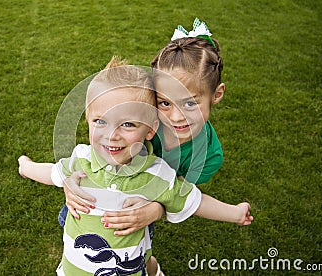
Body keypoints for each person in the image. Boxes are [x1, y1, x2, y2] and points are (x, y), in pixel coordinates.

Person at [18, 57, 253, 275]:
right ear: (88, 120)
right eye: (100, 121)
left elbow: (195, 200)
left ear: (150, 130)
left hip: (128, 266)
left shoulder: (157, 173)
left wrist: (235, 213)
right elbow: (50, 172)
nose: (112, 135)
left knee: (145, 256)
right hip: (73, 269)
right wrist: (25, 166)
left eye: (127, 124)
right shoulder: (82, 158)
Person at [60, 18, 228, 275]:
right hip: (95, 195)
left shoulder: (209, 156)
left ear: (216, 95)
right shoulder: (139, 122)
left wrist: (155, 210)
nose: (175, 117)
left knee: (135, 246)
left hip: (138, 206)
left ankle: (149, 266)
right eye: (165, 103)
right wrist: (70, 181)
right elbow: (100, 148)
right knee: (81, 232)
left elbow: (178, 193)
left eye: (190, 104)